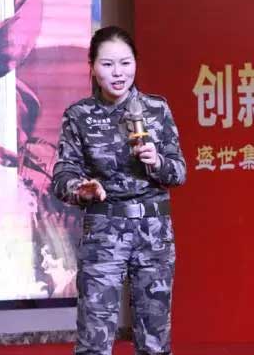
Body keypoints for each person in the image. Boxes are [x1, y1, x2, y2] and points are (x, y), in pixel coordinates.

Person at [53, 25, 186, 355]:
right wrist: (80, 188)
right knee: (94, 339)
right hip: (104, 231)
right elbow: (62, 175)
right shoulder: (79, 116)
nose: (118, 73)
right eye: (108, 64)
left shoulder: (156, 110)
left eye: (126, 63)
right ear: (92, 66)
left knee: (154, 340)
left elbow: (179, 172)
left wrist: (158, 162)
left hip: (153, 233)